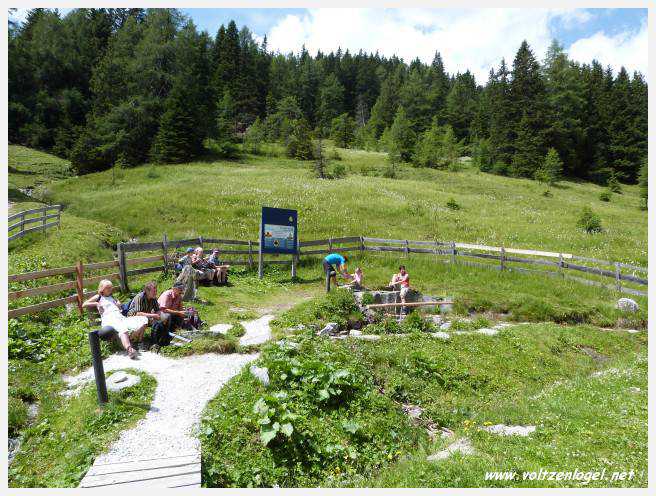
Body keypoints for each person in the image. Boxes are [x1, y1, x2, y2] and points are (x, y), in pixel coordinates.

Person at [83, 280, 148, 359]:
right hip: (110, 320)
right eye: (108, 288)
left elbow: (120, 308)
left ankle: (134, 339)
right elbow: (84, 304)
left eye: (111, 287)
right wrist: (96, 304)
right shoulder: (99, 297)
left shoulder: (112, 297)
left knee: (143, 320)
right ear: (102, 289)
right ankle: (129, 349)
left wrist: (118, 305)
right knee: (122, 328)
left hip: (120, 318)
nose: (110, 289)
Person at [127, 281, 169, 351]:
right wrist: (153, 315)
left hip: (146, 316)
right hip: (133, 317)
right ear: (147, 291)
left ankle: (159, 338)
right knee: (145, 320)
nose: (155, 293)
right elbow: (138, 313)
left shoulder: (153, 298)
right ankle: (139, 342)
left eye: (156, 291)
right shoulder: (139, 297)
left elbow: (157, 310)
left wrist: (160, 315)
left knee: (166, 317)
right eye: (154, 291)